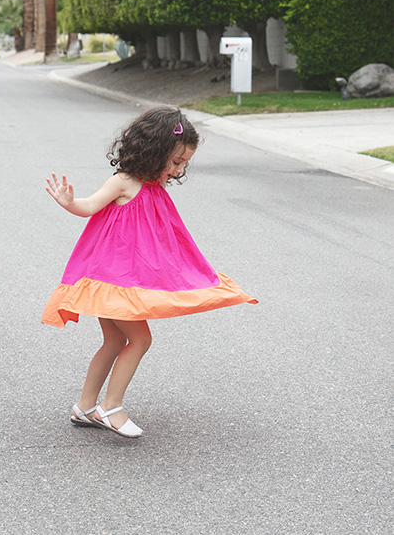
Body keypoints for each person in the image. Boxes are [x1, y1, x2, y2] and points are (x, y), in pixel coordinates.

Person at [42, 106, 256, 438]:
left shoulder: (154, 185)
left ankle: (84, 407)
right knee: (140, 339)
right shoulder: (123, 181)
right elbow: (88, 207)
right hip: (113, 282)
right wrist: (69, 202)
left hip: (123, 282)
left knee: (114, 340)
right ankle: (111, 408)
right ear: (153, 151)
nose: (179, 168)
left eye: (184, 163)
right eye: (175, 161)